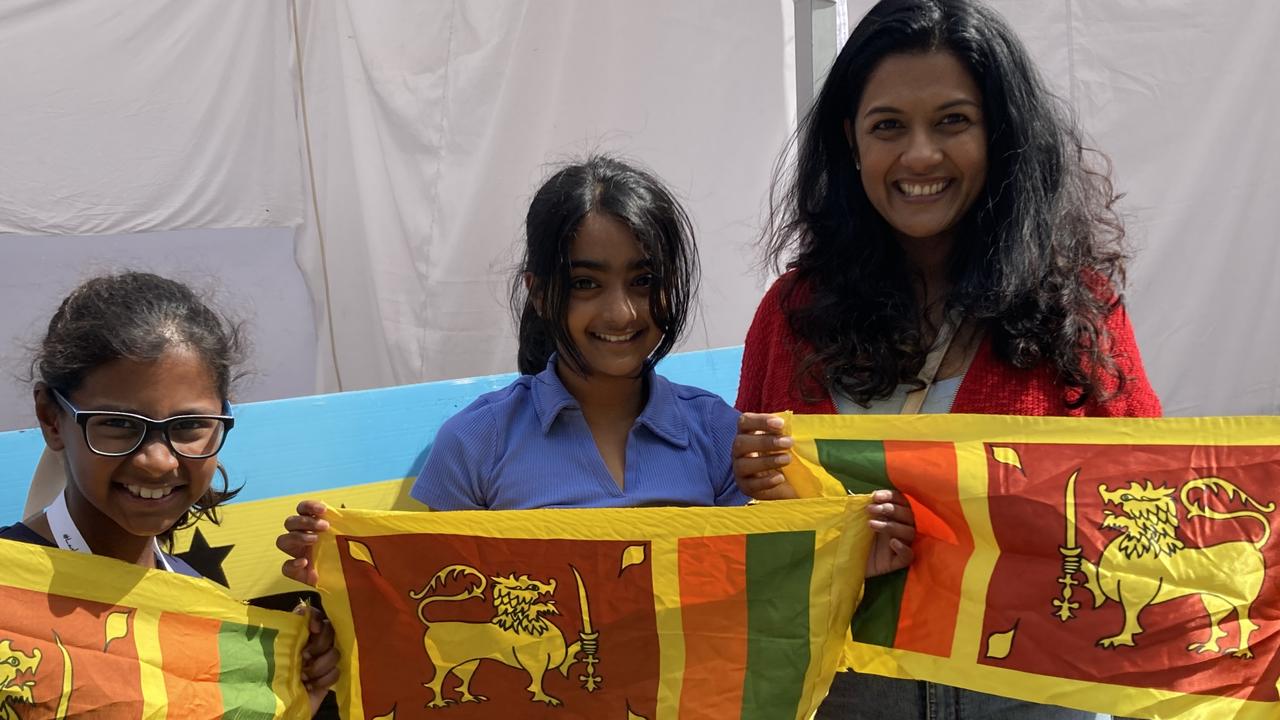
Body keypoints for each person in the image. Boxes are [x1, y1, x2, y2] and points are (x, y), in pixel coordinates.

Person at [731, 0, 1161, 718]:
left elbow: (1143, 503)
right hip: (846, 695)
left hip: (1032, 695)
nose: (921, 155)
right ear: (851, 141)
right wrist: (762, 490)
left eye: (953, 121)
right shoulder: (790, 315)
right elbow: (750, 542)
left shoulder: (1077, 309)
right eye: (888, 126)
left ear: (1000, 134)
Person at [278, 155, 913, 582]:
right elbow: (423, 589)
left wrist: (855, 553)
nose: (622, 311)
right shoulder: (477, 442)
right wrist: (343, 569)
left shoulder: (723, 437)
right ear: (539, 291)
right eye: (586, 282)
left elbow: (758, 590)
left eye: (645, 280)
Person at [1, 271, 339, 716]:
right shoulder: (9, 591)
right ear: (51, 418)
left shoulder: (203, 614)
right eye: (119, 424)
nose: (158, 461)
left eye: (190, 427)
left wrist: (291, 692)